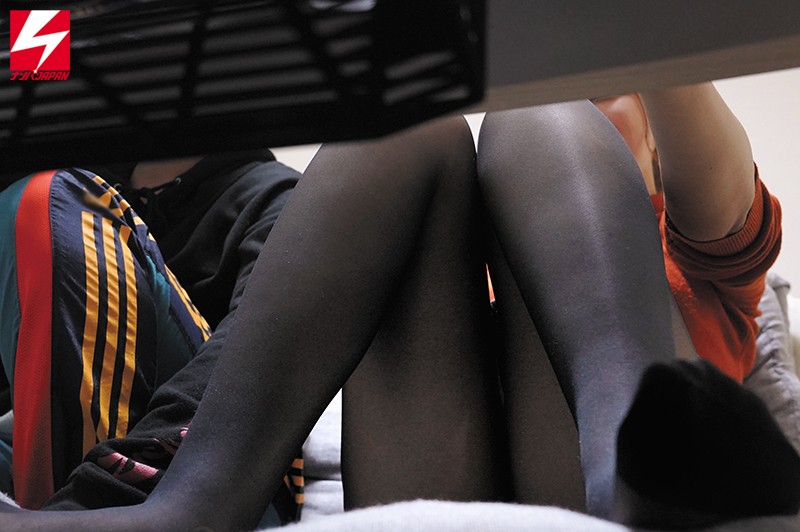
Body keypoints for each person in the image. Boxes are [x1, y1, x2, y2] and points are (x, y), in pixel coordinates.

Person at [0, 84, 798, 531]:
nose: (596, 91)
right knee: (412, 126)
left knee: (539, 111)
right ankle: (195, 504)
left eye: (613, 89)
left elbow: (709, 166)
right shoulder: (435, 241)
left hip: (625, 482)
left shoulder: (700, 260)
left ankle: (634, 469)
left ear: (654, 151)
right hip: (431, 470)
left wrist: (625, 60)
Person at [0, 151, 302, 524]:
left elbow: (260, 354)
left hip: (218, 473)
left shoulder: (277, 193)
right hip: (42, 448)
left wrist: (87, 504)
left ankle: (75, 508)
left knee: (51, 197)